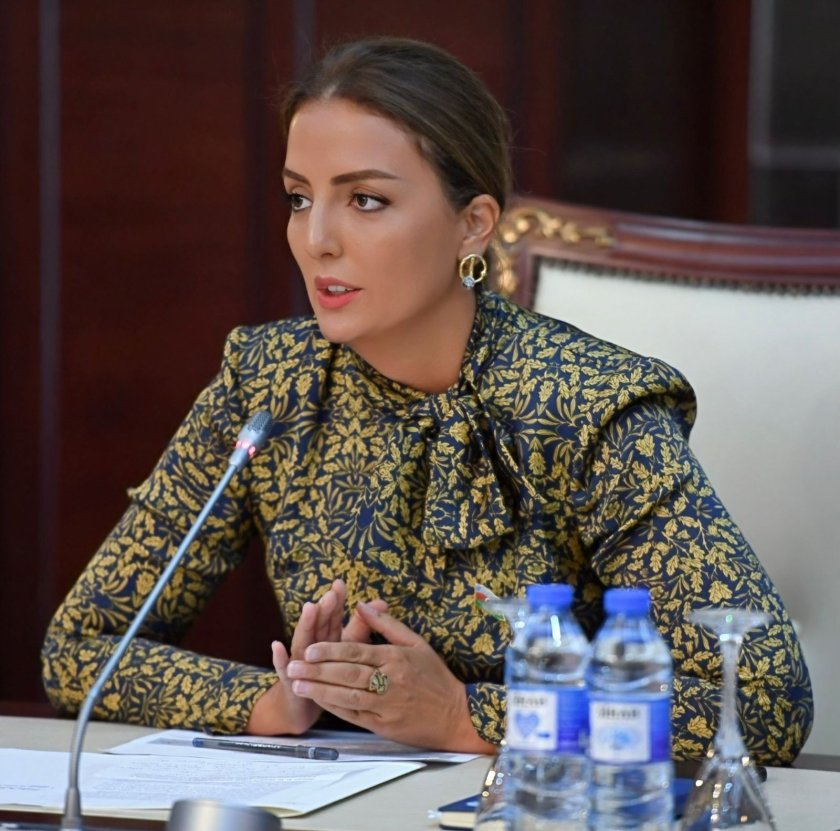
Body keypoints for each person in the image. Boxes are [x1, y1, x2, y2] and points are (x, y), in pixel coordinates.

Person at [42, 36, 813, 762]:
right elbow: (80, 648)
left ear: (473, 225)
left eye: (366, 200)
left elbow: (764, 701)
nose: (317, 239)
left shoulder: (588, 404)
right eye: (299, 198)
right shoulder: (271, 382)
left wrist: (466, 717)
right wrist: (273, 702)